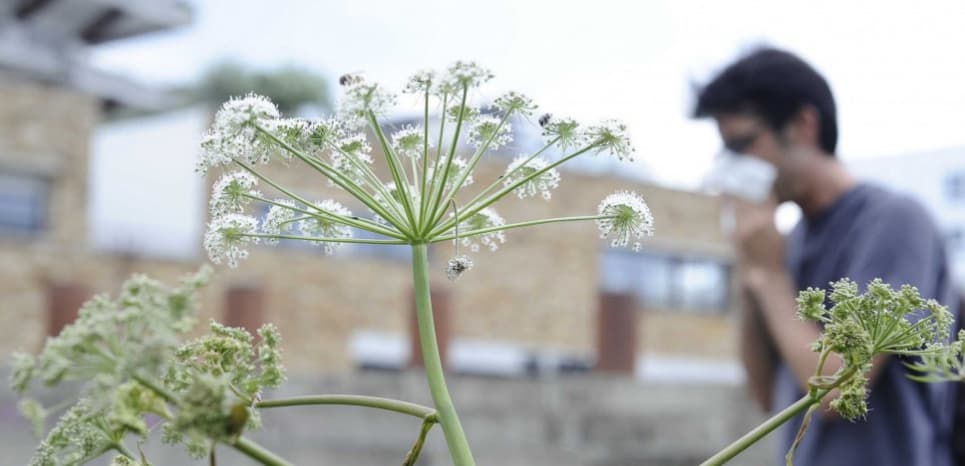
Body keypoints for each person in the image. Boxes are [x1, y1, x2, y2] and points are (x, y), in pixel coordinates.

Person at [693, 47, 959, 466]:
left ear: (803, 124)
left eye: (742, 144)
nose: (732, 165)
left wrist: (769, 275)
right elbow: (764, 393)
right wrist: (751, 268)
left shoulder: (894, 220)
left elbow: (837, 390)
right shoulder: (790, 241)